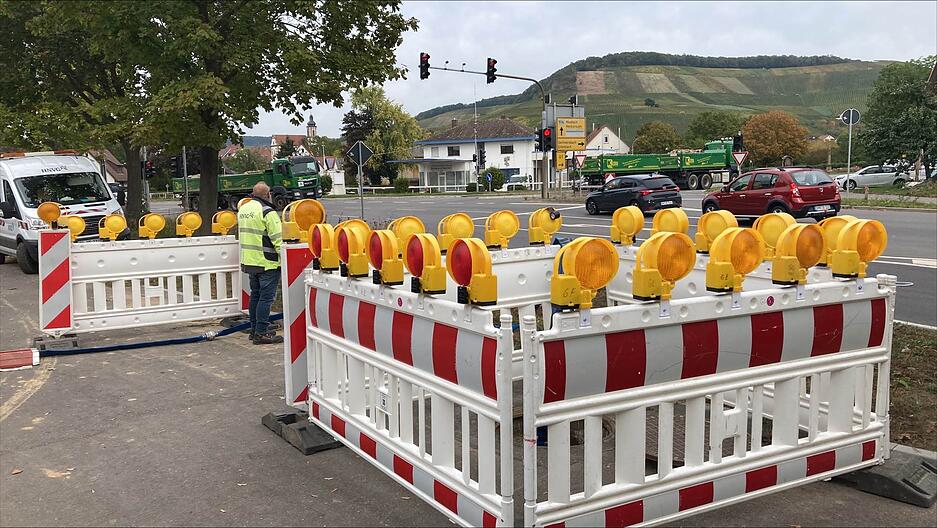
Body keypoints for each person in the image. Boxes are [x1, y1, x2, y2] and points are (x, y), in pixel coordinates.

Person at [238, 182, 283, 344]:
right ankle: (261, 333)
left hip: (249, 261)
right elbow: (278, 240)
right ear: (268, 195)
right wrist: (284, 260)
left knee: (255, 296)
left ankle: (255, 328)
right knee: (266, 298)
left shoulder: (243, 209)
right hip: (267, 262)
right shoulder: (268, 212)